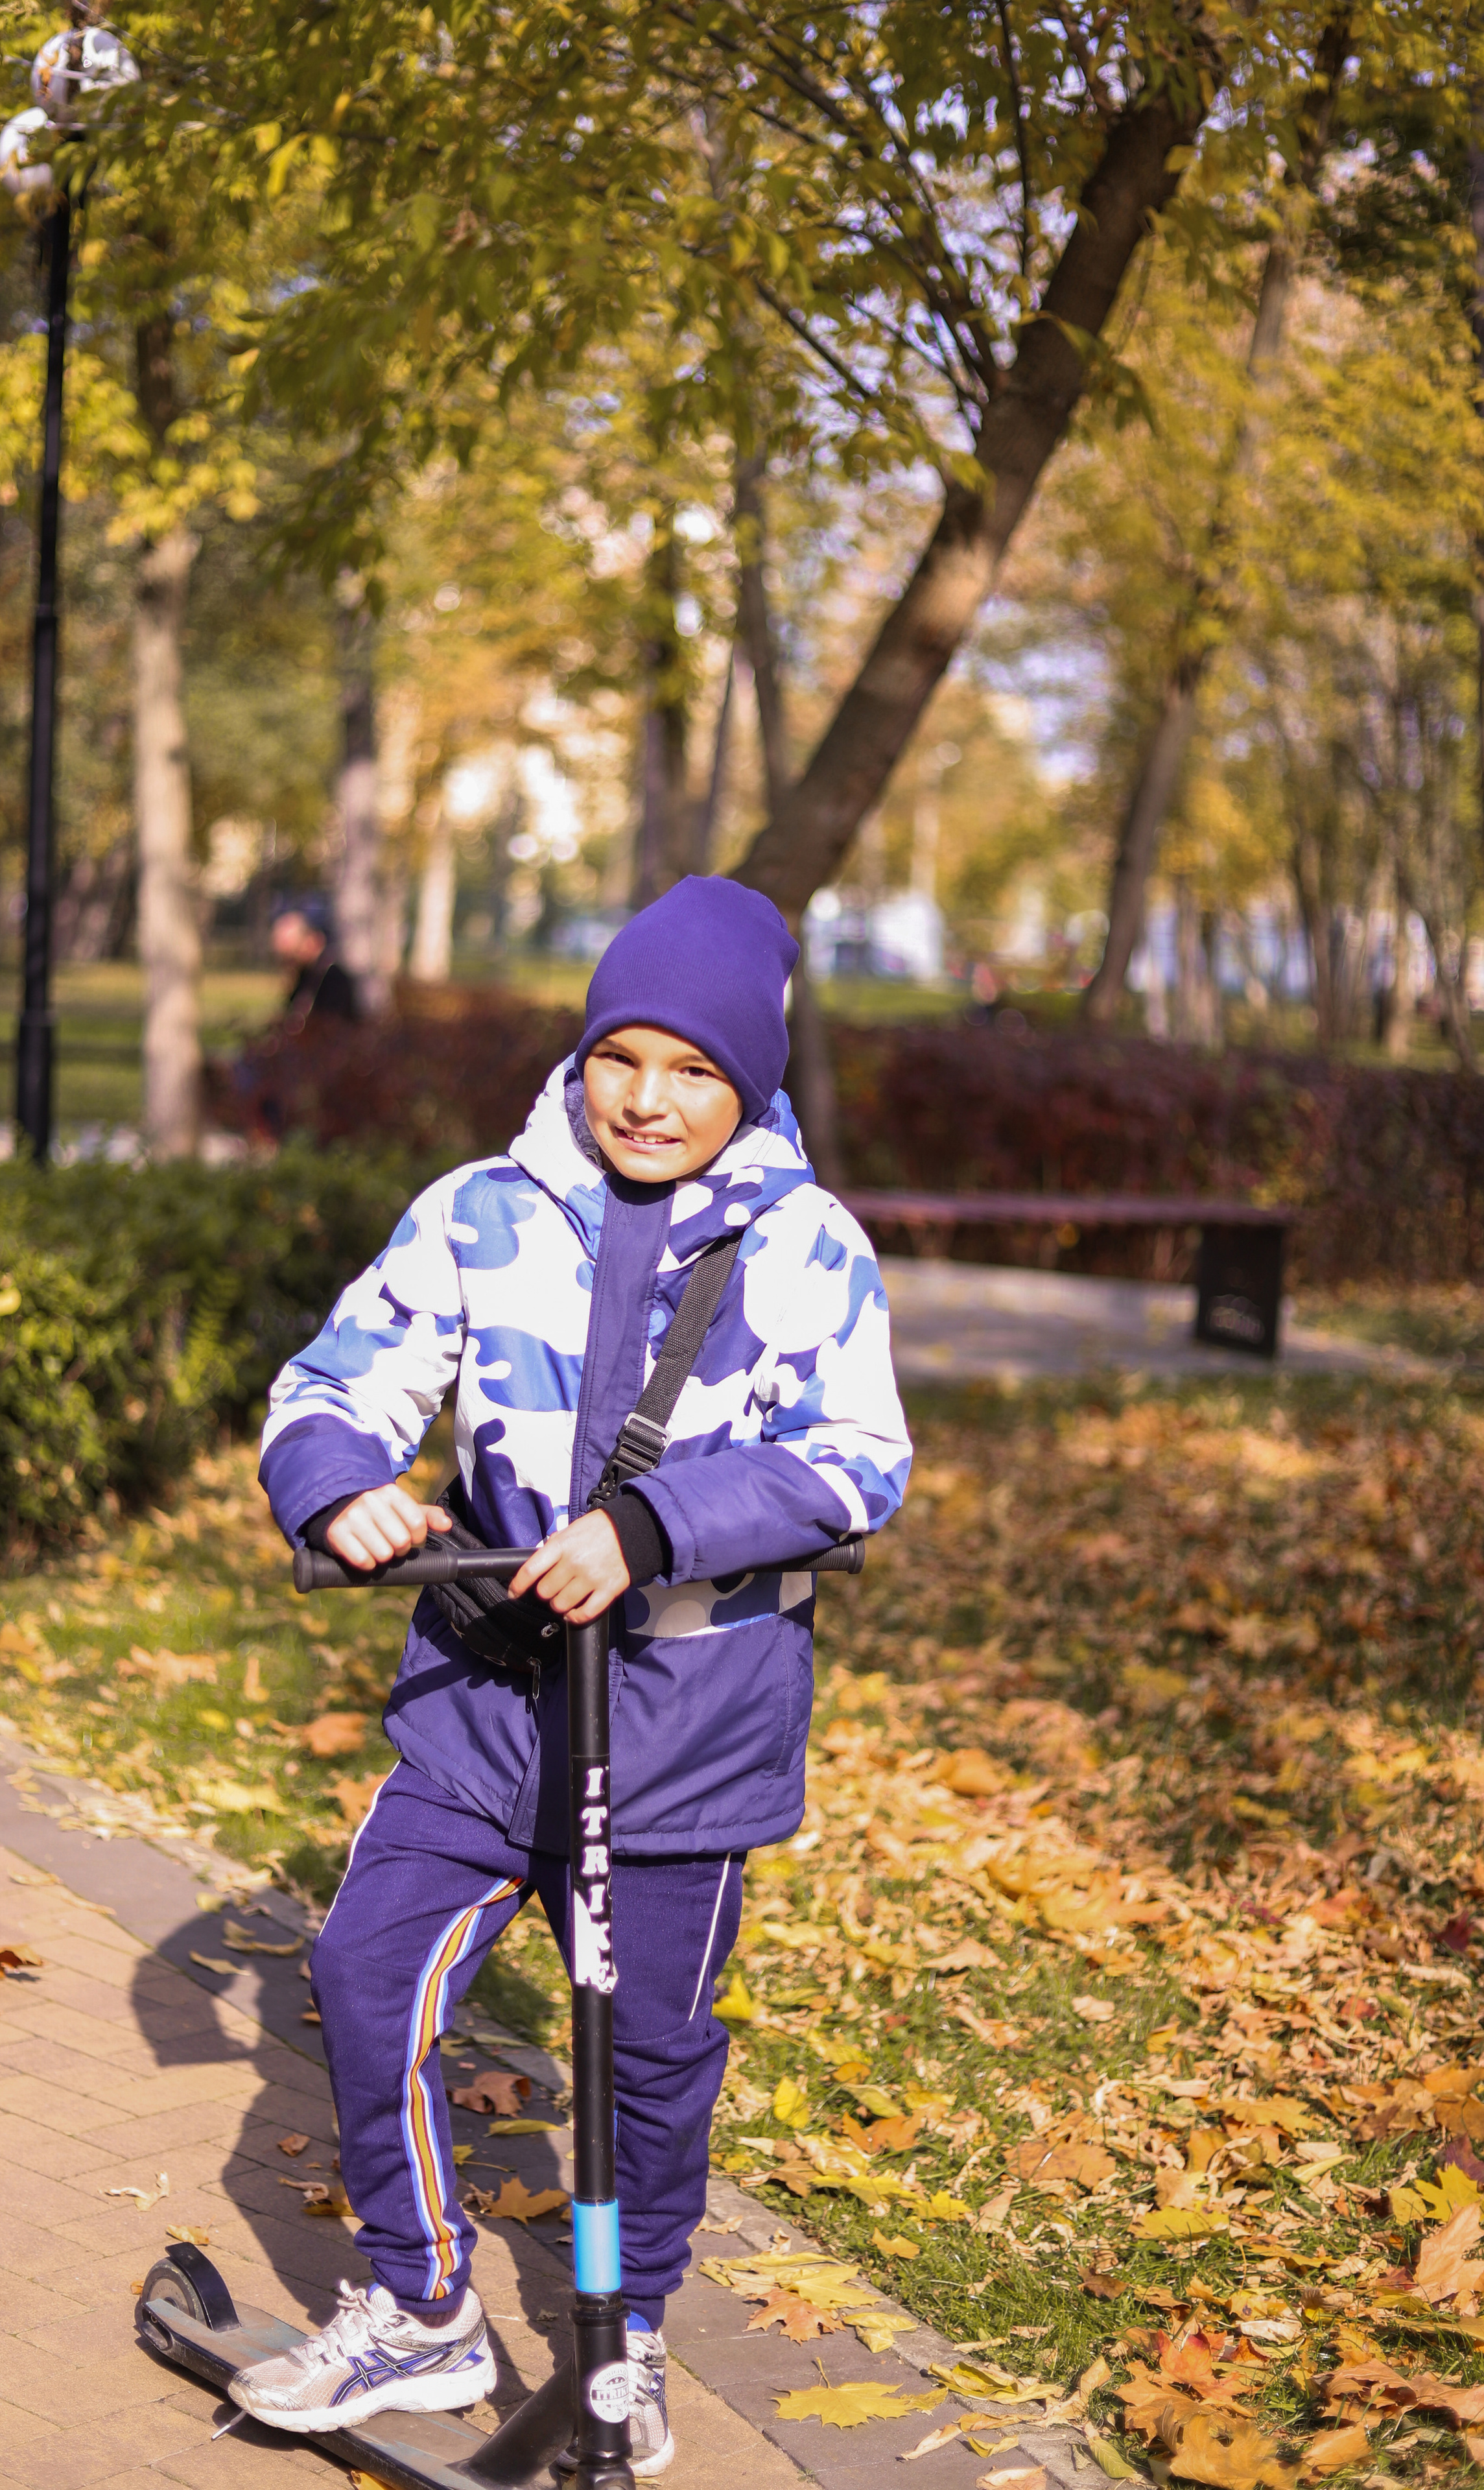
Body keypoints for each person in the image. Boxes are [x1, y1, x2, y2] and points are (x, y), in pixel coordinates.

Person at [232, 876, 911, 2475]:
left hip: (684, 1728)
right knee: (361, 1975)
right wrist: (338, 1484)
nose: (648, 1098)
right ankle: (420, 2306)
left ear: (745, 1084)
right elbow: (335, 1377)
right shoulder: (478, 1206)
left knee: (646, 2064)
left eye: (693, 1070)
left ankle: (621, 2334)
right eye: (623, 1055)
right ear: (583, 1050)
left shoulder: (807, 1245)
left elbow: (851, 1460)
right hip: (484, 1701)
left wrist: (655, 1524)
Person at [271, 897, 361, 1027]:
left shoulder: (334, 980)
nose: (289, 965)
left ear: (310, 940)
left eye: (292, 957)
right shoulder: (304, 976)